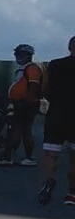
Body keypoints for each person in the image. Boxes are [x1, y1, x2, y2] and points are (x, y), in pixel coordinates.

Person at [38, 36, 75, 206]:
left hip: (57, 113)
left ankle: (49, 181)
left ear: (69, 47)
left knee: (50, 153)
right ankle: (71, 193)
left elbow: (45, 88)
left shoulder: (54, 65)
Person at [4, 44, 42, 168]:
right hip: (22, 103)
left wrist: (26, 102)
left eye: (20, 54)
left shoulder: (31, 68)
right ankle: (15, 156)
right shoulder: (23, 68)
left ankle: (25, 157)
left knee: (21, 129)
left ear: (28, 55)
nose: (17, 56)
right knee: (21, 129)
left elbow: (33, 87)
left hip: (26, 104)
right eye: (16, 54)